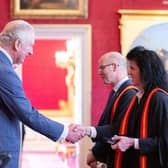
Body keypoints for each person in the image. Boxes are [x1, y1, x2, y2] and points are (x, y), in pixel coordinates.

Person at [0, 20, 83, 168]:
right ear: (17, 44)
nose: (31, 52)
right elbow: (27, 113)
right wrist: (65, 132)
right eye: (30, 45)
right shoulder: (4, 71)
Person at [111, 46, 168, 168]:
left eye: (132, 68)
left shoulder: (159, 98)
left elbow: (165, 141)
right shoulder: (138, 97)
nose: (129, 73)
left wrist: (134, 143)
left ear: (145, 71)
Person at [80, 52, 137, 168]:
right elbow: (107, 123)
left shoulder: (129, 93)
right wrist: (95, 151)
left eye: (102, 67)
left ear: (114, 66)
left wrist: (95, 152)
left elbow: (117, 130)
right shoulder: (117, 91)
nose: (99, 72)